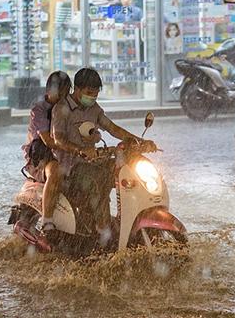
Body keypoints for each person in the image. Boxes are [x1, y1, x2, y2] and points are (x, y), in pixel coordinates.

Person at [51, 67, 155, 246]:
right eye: (89, 93)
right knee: (97, 180)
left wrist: (139, 142)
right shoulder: (61, 109)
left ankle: (126, 221)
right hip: (70, 168)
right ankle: (103, 231)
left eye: (96, 94)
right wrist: (79, 150)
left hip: (92, 162)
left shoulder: (94, 109)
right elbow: (58, 139)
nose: (92, 97)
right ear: (77, 89)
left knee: (124, 171)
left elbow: (112, 128)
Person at [21, 71, 72, 245]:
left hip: (66, 155)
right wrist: (76, 148)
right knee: (56, 172)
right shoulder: (39, 109)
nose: (63, 97)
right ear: (49, 90)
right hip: (42, 157)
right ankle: (47, 221)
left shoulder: (71, 108)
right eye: (60, 92)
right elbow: (48, 141)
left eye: (66, 92)